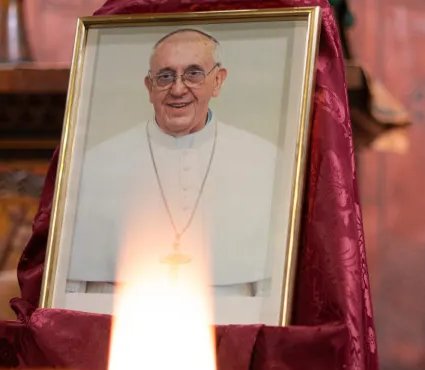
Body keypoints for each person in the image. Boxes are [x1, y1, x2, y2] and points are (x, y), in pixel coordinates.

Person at [65, 28, 279, 297]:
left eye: (193, 74)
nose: (178, 89)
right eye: (165, 77)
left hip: (232, 318)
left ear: (218, 81)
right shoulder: (97, 163)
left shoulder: (263, 161)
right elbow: (72, 289)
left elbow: (272, 292)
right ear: (149, 87)